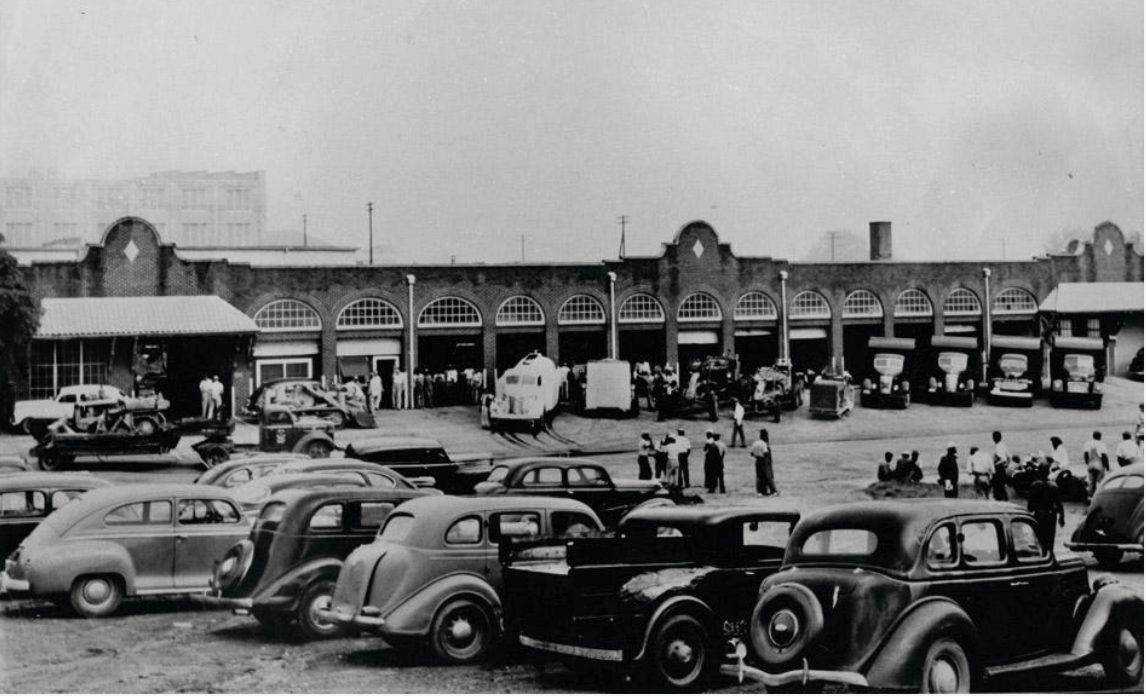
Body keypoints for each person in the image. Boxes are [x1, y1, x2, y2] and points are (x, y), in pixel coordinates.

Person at [1027, 464, 1065, 552]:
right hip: (1051, 516)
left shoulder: (1034, 486)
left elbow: (1030, 506)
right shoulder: (1053, 486)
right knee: (1050, 541)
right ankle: (1049, 555)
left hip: (1039, 515)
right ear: (1048, 472)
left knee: (1040, 540)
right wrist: (1062, 517)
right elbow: (1059, 503)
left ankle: (1044, 556)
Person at [1082, 431, 1110, 499]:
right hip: (1099, 464)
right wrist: (1107, 466)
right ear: (1100, 437)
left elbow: (1085, 454)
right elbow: (1104, 456)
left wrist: (1087, 462)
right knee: (1101, 481)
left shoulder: (1088, 443)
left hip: (1091, 464)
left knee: (1091, 482)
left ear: (1093, 436)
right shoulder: (1101, 444)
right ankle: (1101, 497)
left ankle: (1090, 497)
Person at [752, 429, 777, 495]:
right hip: (764, 461)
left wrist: (757, 456)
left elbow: (752, 453)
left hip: (758, 460)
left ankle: (761, 490)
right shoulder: (764, 444)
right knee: (768, 476)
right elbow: (766, 453)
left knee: (759, 476)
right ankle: (773, 490)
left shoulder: (755, 443)